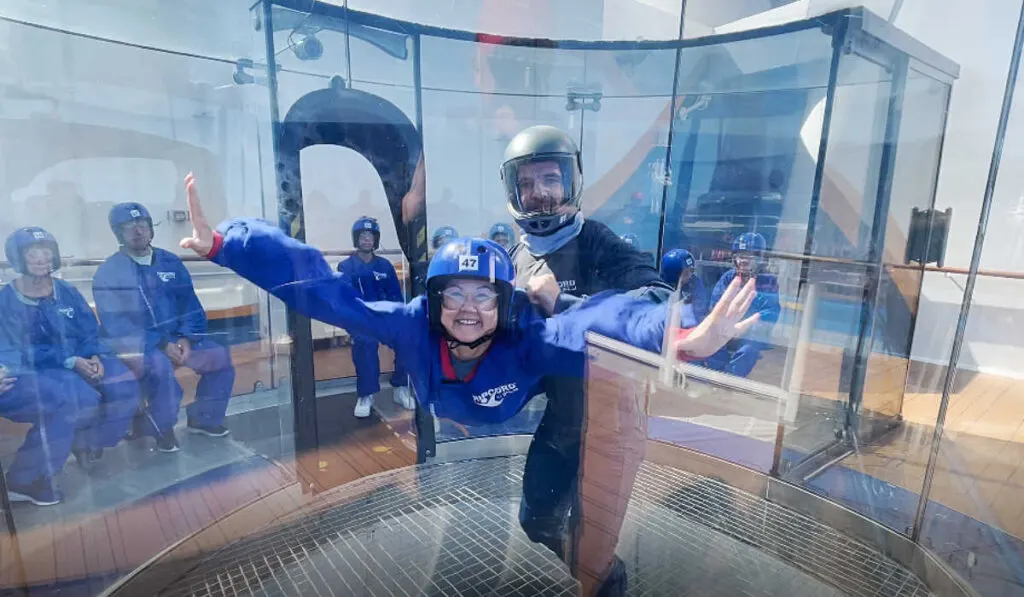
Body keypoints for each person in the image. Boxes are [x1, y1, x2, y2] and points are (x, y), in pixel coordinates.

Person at [182, 172, 756, 595]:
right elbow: (325, 291)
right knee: (537, 522)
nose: (468, 310)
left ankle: (603, 577)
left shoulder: (526, 335)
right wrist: (227, 245)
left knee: (580, 371)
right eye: (453, 293)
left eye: (484, 295)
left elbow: (600, 323)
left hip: (541, 395)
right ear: (432, 301)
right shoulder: (410, 326)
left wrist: (680, 338)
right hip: (458, 400)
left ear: (504, 305)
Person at [500, 125, 674, 565]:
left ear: (571, 182)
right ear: (513, 192)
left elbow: (659, 303)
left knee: (593, 548)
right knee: (536, 520)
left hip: (613, 422)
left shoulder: (596, 241)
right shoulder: (516, 258)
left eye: (550, 179)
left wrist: (565, 304)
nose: (538, 192)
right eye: (526, 183)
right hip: (562, 418)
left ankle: (599, 578)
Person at [0, 227, 139, 505]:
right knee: (76, 398)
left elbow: (89, 329)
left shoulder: (66, 291)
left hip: (79, 360)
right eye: (31, 253)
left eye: (46, 252)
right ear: (18, 258)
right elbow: (17, 351)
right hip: (37, 369)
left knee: (124, 385)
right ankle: (25, 479)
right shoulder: (6, 299)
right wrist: (71, 361)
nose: (41, 258)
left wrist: (95, 355)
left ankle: (87, 443)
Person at [92, 202, 236, 453]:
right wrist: (160, 343)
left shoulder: (170, 262)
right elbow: (116, 324)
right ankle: (162, 429)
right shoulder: (109, 272)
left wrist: (187, 339)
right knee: (159, 368)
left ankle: (204, 418)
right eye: (129, 227)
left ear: (150, 229)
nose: (138, 231)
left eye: (142, 225)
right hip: (140, 344)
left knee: (219, 357)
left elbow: (190, 305)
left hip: (179, 340)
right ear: (118, 233)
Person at [338, 216, 415, 418]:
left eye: (370, 236)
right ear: (356, 239)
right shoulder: (346, 267)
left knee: (407, 340)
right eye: (362, 236)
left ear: (375, 240)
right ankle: (366, 394)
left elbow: (395, 298)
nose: (366, 240)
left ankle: (401, 388)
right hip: (361, 321)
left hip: (385, 319)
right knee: (365, 343)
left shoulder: (385, 266)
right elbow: (345, 301)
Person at [706, 232, 781, 377]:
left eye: (748, 256)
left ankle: (731, 380)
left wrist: (744, 329)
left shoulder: (767, 281)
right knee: (710, 341)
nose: (743, 261)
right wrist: (724, 326)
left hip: (751, 334)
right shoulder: (728, 278)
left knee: (748, 350)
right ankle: (716, 377)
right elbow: (715, 305)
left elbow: (770, 312)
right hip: (725, 329)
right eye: (740, 256)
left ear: (760, 258)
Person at [661, 248, 708, 328]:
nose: (690, 275)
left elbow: (700, 308)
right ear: (673, 274)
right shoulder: (661, 291)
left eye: (692, 271)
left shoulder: (694, 282)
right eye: (686, 273)